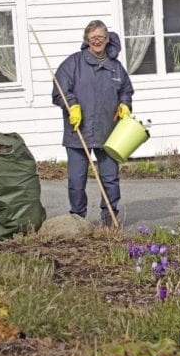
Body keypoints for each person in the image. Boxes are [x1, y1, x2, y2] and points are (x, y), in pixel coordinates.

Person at [53, 20, 134, 226]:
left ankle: (109, 218)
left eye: (101, 37)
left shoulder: (116, 68)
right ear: (86, 40)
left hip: (108, 132)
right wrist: (72, 105)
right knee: (77, 180)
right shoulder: (73, 63)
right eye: (92, 37)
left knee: (110, 179)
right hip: (78, 131)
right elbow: (59, 90)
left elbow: (126, 90)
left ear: (107, 39)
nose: (97, 41)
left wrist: (125, 104)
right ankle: (77, 219)